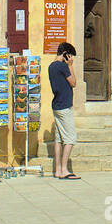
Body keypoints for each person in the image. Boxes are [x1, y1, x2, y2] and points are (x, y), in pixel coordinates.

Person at [48, 42, 79, 179]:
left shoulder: (51, 66)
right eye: (70, 56)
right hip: (65, 105)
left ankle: (58, 169)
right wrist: (70, 66)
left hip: (56, 104)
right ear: (66, 54)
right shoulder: (63, 66)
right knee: (70, 138)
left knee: (59, 138)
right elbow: (73, 82)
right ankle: (65, 169)